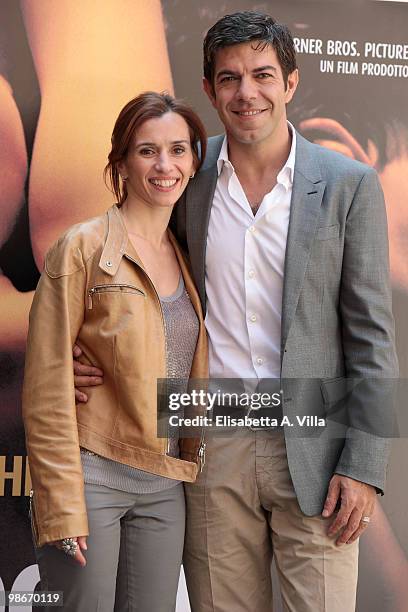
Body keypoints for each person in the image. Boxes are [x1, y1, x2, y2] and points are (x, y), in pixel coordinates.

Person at [74, 11, 398, 612]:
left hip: (316, 448)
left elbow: (373, 338)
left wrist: (366, 466)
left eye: (263, 75)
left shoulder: (349, 185)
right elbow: (122, 270)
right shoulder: (184, 176)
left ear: (291, 83)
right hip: (210, 439)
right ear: (209, 90)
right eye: (229, 79)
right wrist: (77, 345)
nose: (246, 92)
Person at [22, 91, 208, 612]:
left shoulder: (192, 257)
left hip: (165, 484)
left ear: (194, 161)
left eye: (178, 150)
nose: (164, 165)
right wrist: (60, 505)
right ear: (121, 162)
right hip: (92, 477)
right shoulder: (81, 248)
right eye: (147, 151)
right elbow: (46, 385)